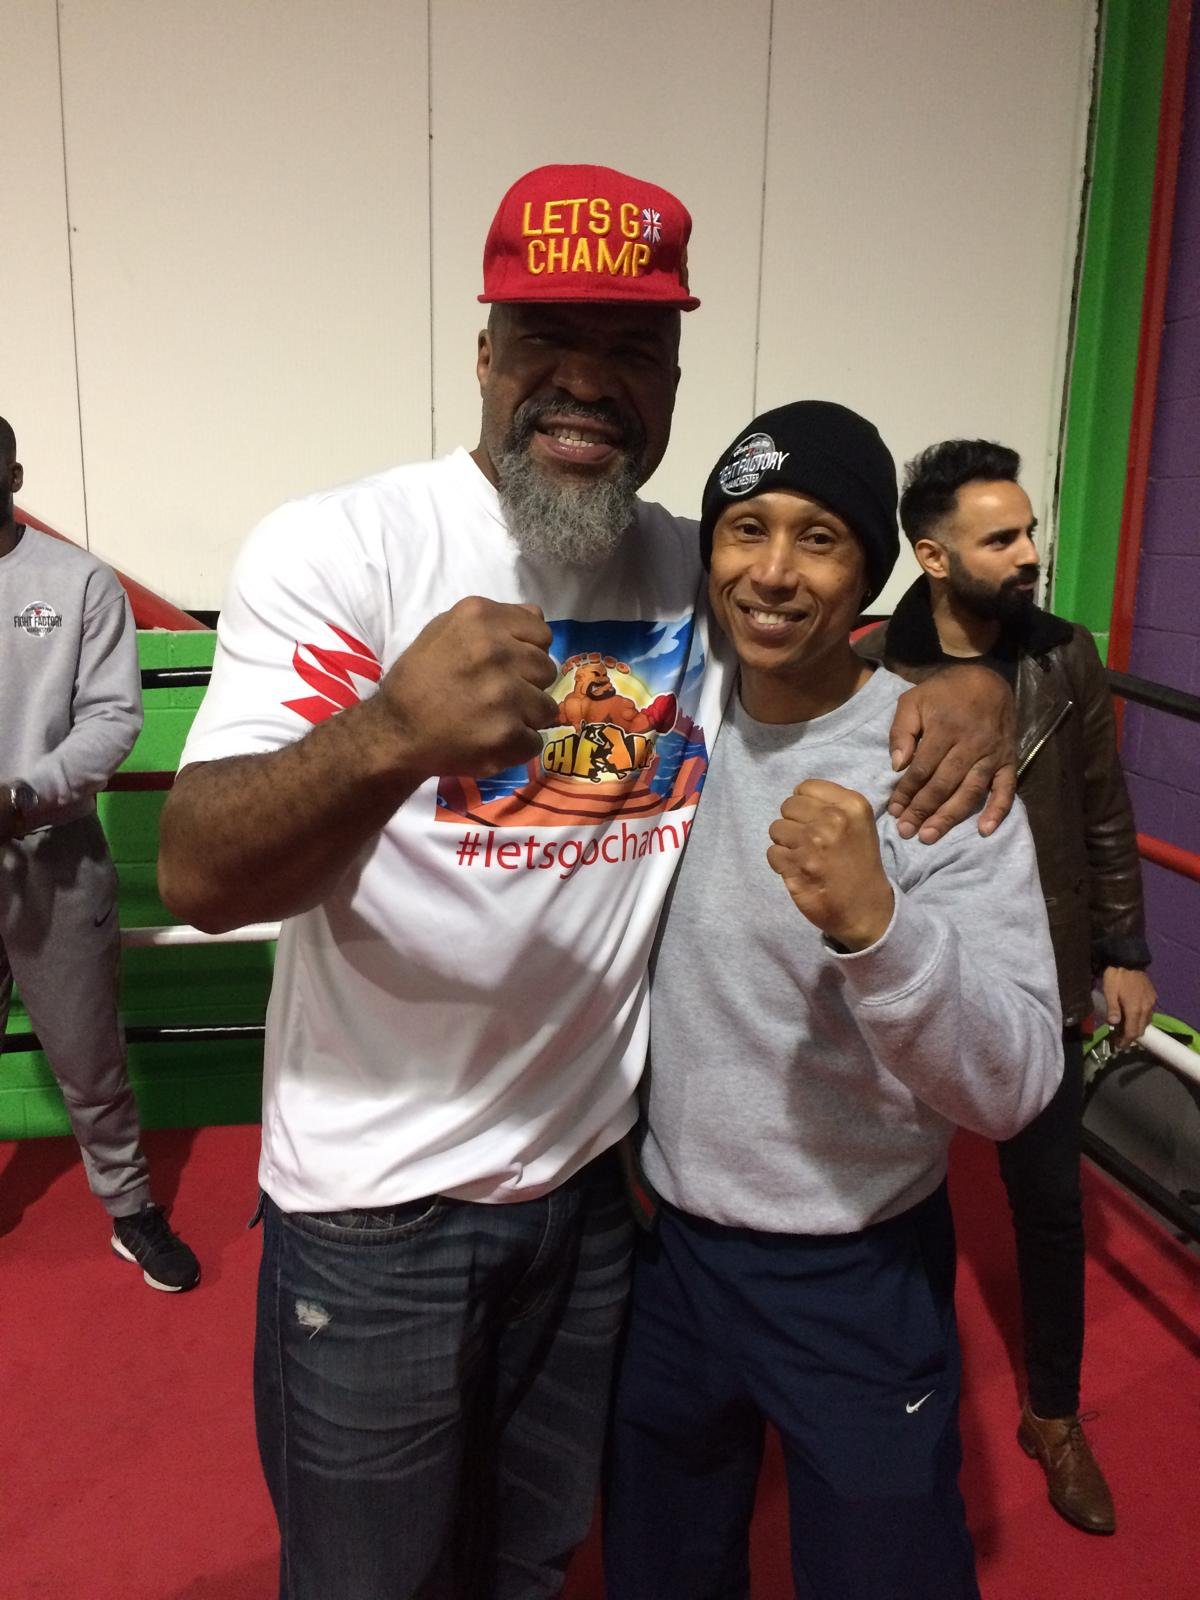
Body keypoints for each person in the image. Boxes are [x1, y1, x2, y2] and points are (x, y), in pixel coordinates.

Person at [156, 166, 1017, 1600]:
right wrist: (390, 733)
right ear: (483, 351)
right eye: (548, 336)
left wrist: (967, 679)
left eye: (631, 348)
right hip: (377, 1211)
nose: (586, 382)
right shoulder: (345, 546)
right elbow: (198, 867)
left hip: (597, 1205)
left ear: (672, 381)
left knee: (536, 1564)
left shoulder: (692, 566)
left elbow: (819, 624)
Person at [602, 402, 1062, 1600]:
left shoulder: (931, 767)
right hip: (674, 1256)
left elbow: (1018, 1081)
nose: (772, 571)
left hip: (855, 1272)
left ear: (868, 570)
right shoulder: (671, 724)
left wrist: (878, 929)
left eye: (818, 538)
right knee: (660, 1569)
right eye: (745, 528)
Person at [854, 439, 1155, 1535]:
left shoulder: (1065, 657)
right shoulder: (869, 663)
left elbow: (1104, 806)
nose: (1030, 552)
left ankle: (1054, 1413)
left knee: (1050, 1205)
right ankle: (879, 1398)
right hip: (909, 965)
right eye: (1001, 538)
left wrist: (1124, 948)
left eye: (1029, 531)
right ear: (933, 556)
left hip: (1044, 967)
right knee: (886, 1197)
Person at [0, 416, 199, 1292]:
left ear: (14, 474)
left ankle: (130, 1210)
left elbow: (113, 718)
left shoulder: (77, 582)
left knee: (89, 1061)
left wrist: (23, 796)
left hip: (53, 858)